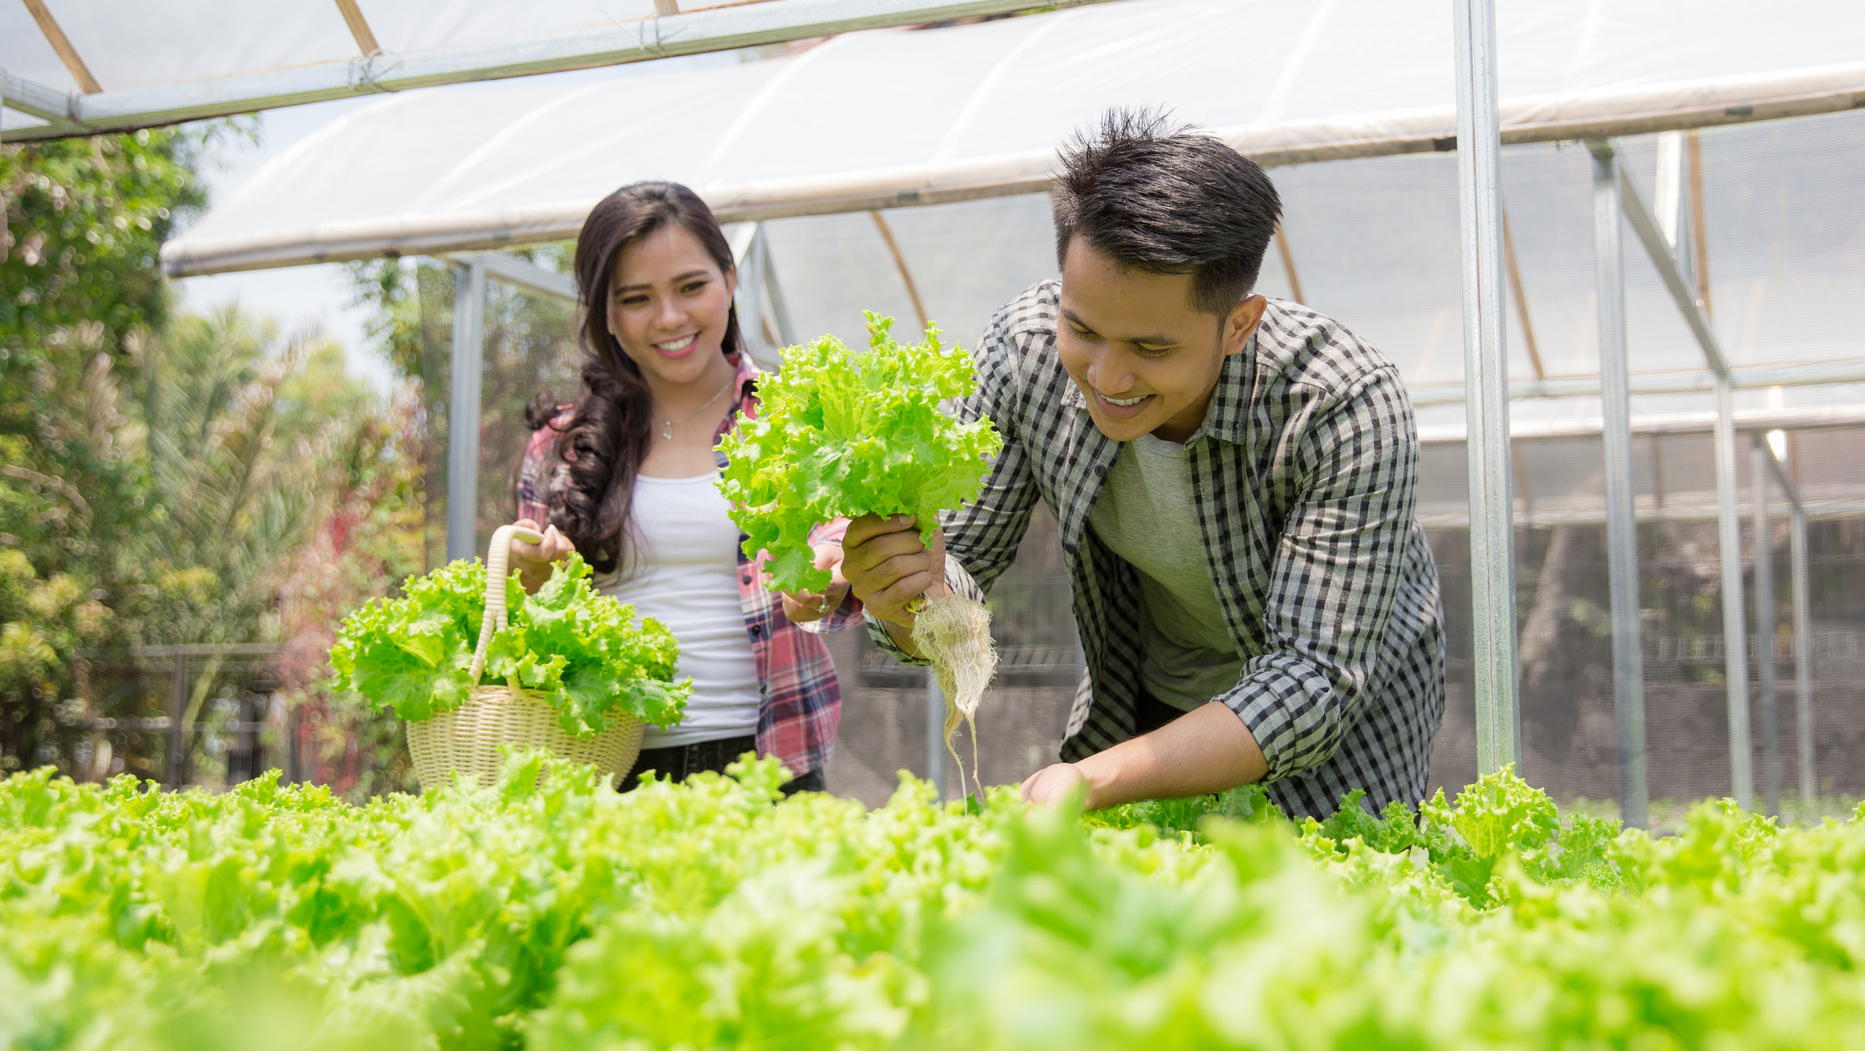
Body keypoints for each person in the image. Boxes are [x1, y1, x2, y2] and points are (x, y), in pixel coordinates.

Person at [836, 111, 1444, 819]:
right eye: (1082, 329)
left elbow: (1313, 676)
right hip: (1146, 700)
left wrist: (1092, 779)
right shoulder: (1025, 352)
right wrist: (905, 597)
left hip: (1340, 716)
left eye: (1151, 350)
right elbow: (957, 563)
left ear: (1239, 324)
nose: (1107, 376)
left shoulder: (1340, 402)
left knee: (1331, 909)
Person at [505, 181, 855, 792]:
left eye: (691, 287)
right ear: (605, 315)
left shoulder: (796, 420)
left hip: (771, 765)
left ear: (729, 280)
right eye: (636, 298)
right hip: (603, 766)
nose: (670, 318)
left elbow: (841, 555)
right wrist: (528, 582)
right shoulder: (559, 448)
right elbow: (529, 634)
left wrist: (835, 572)